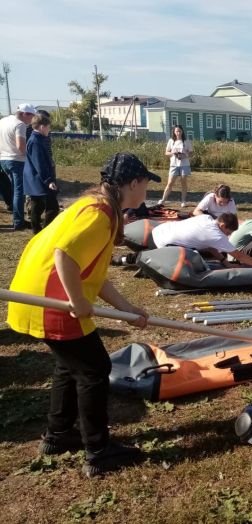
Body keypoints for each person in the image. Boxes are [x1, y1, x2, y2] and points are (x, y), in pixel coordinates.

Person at [6, 152, 159, 478]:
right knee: (94, 368)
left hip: (41, 294)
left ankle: (58, 435)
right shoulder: (99, 213)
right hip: (52, 298)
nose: (146, 192)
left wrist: (128, 309)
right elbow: (64, 256)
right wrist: (76, 300)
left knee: (70, 364)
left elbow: (93, 273)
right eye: (145, 185)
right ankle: (98, 452)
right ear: (134, 183)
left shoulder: (94, 205)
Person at [150, 212, 252, 268]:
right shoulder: (217, 235)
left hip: (159, 230)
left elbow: (210, 246)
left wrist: (225, 262)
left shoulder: (206, 217)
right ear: (223, 226)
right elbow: (239, 256)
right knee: (197, 263)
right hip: (165, 244)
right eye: (228, 233)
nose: (228, 236)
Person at [0, 103, 37, 229]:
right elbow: (20, 146)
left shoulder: (3, 120)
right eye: (31, 115)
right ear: (24, 114)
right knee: (19, 191)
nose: (32, 119)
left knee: (15, 189)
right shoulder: (20, 124)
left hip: (3, 159)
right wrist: (31, 158)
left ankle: (18, 218)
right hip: (16, 160)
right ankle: (18, 221)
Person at [23, 114, 59, 234]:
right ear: (42, 127)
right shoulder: (35, 141)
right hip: (38, 179)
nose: (49, 130)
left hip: (38, 179)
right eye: (49, 127)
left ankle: (38, 230)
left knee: (38, 205)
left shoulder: (38, 139)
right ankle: (41, 231)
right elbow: (40, 164)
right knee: (50, 207)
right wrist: (49, 180)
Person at [159, 125, 192, 207]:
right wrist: (173, 154)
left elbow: (191, 152)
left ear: (182, 131)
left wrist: (185, 155)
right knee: (170, 183)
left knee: (183, 183)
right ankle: (163, 200)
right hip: (174, 165)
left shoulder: (186, 141)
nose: (178, 133)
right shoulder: (171, 141)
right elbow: (166, 152)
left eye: (180, 131)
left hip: (184, 165)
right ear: (174, 132)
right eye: (176, 131)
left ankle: (183, 201)